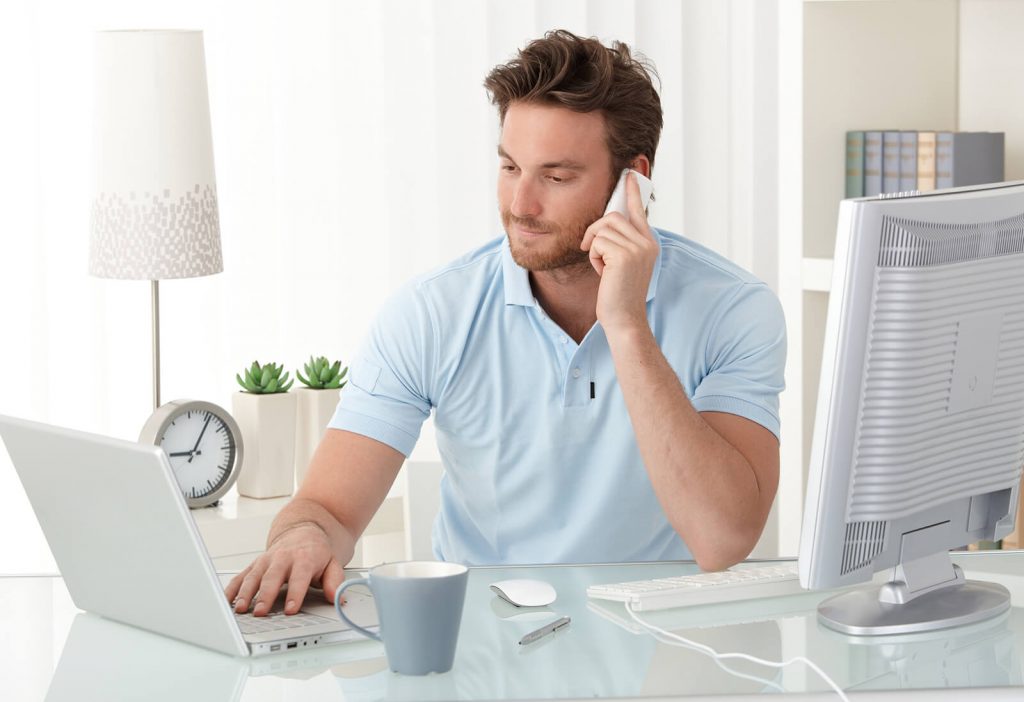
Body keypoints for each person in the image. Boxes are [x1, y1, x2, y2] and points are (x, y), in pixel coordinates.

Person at [226, 29, 786, 618]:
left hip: (663, 651)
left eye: (557, 176)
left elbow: (723, 539)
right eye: (510, 166)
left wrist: (625, 327)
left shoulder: (732, 310)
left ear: (633, 182)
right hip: (483, 651)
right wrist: (303, 539)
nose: (521, 204)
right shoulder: (432, 312)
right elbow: (329, 511)